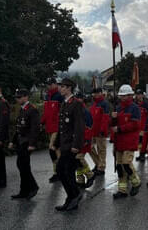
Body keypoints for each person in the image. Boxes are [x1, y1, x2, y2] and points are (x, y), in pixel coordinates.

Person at [54, 78, 85, 211]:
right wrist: (56, 142)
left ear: (69, 88)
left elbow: (79, 126)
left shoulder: (76, 104)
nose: (60, 89)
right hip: (64, 143)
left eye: (62, 87)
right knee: (65, 172)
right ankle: (71, 197)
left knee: (63, 171)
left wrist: (76, 145)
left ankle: (75, 195)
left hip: (71, 144)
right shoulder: (64, 103)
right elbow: (62, 126)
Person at [111, 84, 141, 199]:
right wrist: (113, 118)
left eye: (124, 96)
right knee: (119, 166)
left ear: (130, 95)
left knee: (126, 164)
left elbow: (135, 125)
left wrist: (120, 129)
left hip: (129, 141)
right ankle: (122, 189)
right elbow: (112, 125)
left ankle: (136, 182)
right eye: (121, 96)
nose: (122, 98)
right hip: (119, 142)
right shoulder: (118, 108)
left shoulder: (134, 108)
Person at [9, 89, 39, 199]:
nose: (17, 99)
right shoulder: (22, 109)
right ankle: (24, 190)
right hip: (21, 141)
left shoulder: (32, 110)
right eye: (17, 97)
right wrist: (13, 141)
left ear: (26, 97)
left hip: (27, 142)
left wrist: (32, 144)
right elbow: (18, 128)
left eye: (19, 97)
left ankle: (33, 187)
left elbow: (35, 129)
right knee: (21, 165)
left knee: (23, 165)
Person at [41, 77, 64, 183]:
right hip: (49, 127)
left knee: (52, 148)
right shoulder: (47, 96)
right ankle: (57, 172)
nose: (49, 86)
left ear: (55, 84)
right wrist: (42, 122)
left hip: (57, 127)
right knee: (57, 150)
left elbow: (63, 113)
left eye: (51, 84)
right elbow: (46, 112)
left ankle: (59, 172)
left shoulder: (59, 97)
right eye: (48, 84)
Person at [75, 98, 96, 189]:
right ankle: (80, 180)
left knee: (78, 158)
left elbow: (89, 127)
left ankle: (90, 175)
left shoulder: (84, 113)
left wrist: (86, 140)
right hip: (77, 139)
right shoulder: (78, 112)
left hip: (83, 140)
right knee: (76, 160)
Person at [89, 88, 110, 176]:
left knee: (101, 149)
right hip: (93, 130)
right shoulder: (94, 103)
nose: (96, 94)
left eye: (98, 93)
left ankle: (101, 168)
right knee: (89, 147)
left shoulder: (104, 104)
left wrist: (102, 129)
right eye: (95, 93)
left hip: (100, 130)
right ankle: (98, 163)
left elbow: (105, 119)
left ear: (101, 93)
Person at [135, 89, 148, 162]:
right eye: (137, 94)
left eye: (140, 94)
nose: (138, 96)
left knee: (143, 141)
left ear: (142, 95)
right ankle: (141, 153)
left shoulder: (146, 104)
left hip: (144, 126)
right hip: (137, 126)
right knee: (139, 141)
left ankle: (142, 154)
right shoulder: (135, 104)